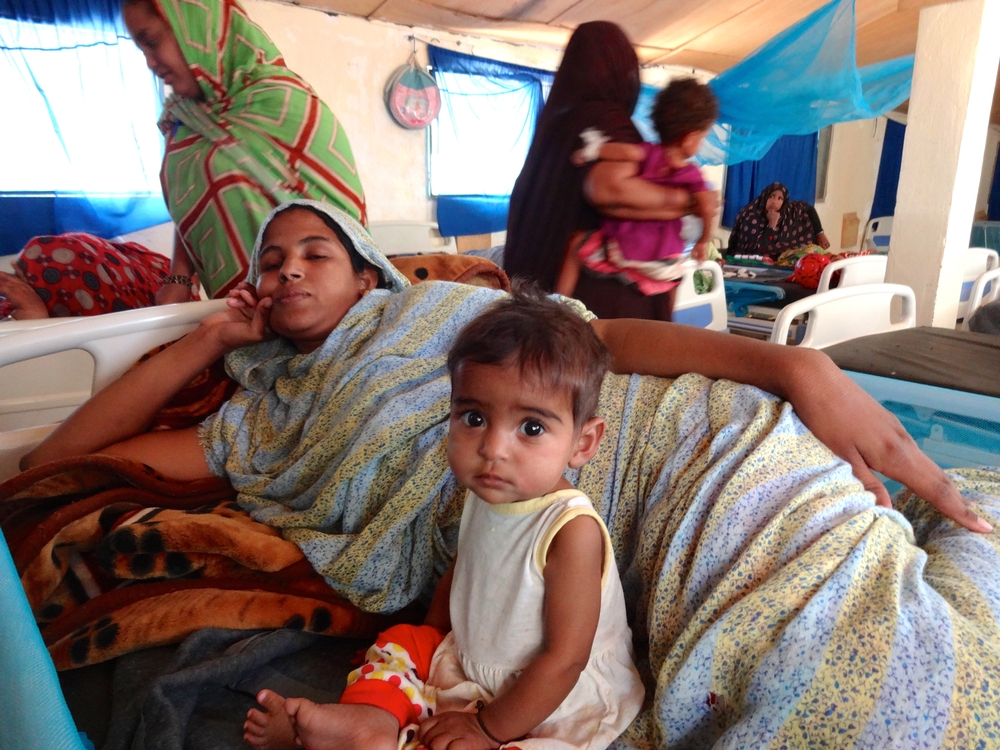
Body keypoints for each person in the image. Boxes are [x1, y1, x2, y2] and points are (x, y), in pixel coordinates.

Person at [20, 201, 999, 748]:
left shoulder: (444, 308)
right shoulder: (257, 420)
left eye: (315, 250)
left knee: (871, 671)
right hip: (557, 537)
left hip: (681, 442)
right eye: (267, 263)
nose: (285, 270)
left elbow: (598, 337)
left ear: (369, 272)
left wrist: (797, 366)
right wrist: (207, 340)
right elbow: (60, 467)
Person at [242, 288, 644, 750]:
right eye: (473, 418)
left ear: (583, 443)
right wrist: (430, 637)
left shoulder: (570, 531)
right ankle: (368, 722)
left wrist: (486, 729)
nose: (493, 449)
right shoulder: (487, 492)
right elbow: (465, 567)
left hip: (549, 696)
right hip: (472, 661)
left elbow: (564, 660)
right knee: (397, 644)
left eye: (531, 428)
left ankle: (375, 738)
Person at [1, 0, 366, 320]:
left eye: (153, 41)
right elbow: (193, 206)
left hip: (315, 308)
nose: (151, 63)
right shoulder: (184, 121)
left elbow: (344, 222)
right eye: (141, 49)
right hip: (238, 309)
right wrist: (179, 278)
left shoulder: (284, 104)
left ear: (197, 27)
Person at [505, 22, 711, 321]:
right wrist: (691, 202)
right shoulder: (605, 119)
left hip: (537, 287)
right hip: (599, 304)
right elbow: (609, 189)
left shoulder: (554, 125)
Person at [559, 78, 718, 303]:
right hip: (662, 259)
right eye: (703, 137)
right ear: (690, 138)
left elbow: (624, 152)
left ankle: (559, 301)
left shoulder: (648, 152)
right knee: (675, 281)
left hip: (620, 248)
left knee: (576, 244)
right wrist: (703, 239)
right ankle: (665, 324)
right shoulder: (691, 174)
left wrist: (591, 151)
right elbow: (706, 206)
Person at [727, 182, 831, 261]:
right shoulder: (751, 217)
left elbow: (808, 208)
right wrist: (771, 224)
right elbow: (759, 251)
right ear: (764, 196)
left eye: (780, 198)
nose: (774, 201)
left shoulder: (788, 211)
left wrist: (820, 233)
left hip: (783, 255)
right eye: (771, 196)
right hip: (755, 261)